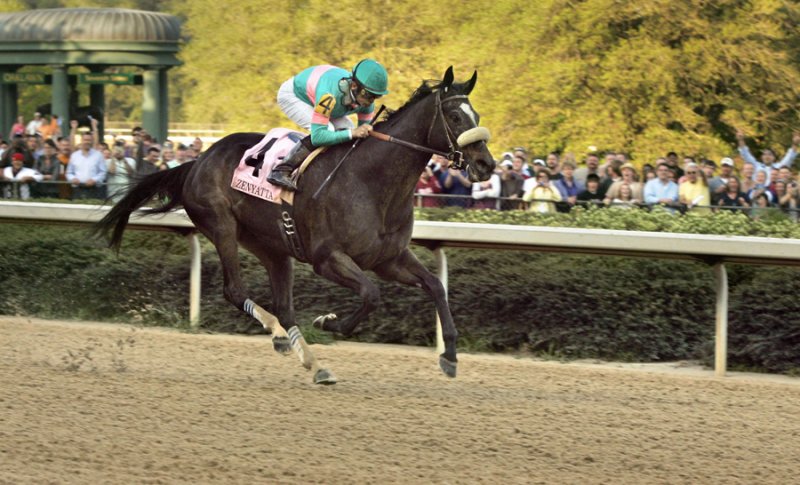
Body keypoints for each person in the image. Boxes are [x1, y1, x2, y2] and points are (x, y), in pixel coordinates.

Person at [267, 59, 390, 191]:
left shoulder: (365, 102)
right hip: (295, 96)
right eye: (368, 95)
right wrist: (353, 133)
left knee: (348, 131)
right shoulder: (329, 95)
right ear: (354, 85)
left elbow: (362, 139)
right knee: (330, 130)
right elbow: (318, 137)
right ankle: (281, 170)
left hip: (325, 98)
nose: (370, 101)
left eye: (375, 97)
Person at [66, 132, 107, 199]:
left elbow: (103, 172)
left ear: (92, 141)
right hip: (78, 189)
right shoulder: (74, 155)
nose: (87, 142)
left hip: (94, 189)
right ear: (81, 141)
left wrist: (94, 180)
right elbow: (69, 172)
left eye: (89, 140)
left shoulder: (98, 155)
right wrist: (72, 178)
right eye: (85, 140)